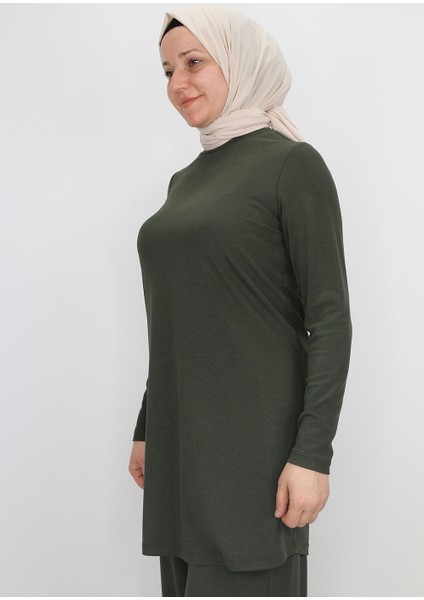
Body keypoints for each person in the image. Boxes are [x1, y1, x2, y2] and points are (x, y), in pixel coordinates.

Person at [128, 5, 353, 597]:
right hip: (180, 447)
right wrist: (148, 425)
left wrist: (313, 456)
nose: (178, 83)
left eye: (193, 62)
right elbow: (182, 316)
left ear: (239, 61)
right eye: (167, 70)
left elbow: (330, 320)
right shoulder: (184, 181)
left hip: (253, 454)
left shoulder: (292, 165)